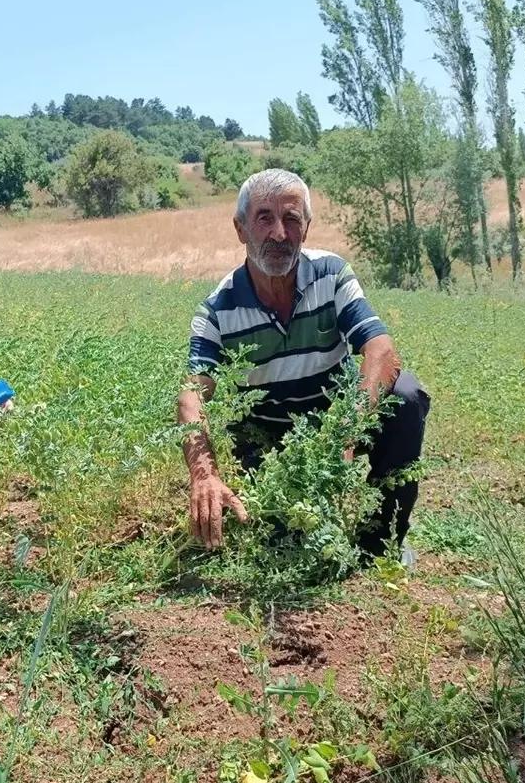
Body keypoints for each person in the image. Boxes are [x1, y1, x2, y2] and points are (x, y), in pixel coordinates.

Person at [177, 168, 430, 555]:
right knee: (286, 545)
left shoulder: (331, 274)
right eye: (264, 218)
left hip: (336, 424)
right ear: (241, 228)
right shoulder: (216, 311)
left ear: (306, 227)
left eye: (291, 219)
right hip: (269, 445)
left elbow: (380, 350)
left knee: (406, 396)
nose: (279, 234)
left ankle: (382, 543)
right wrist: (203, 474)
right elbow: (192, 396)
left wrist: (345, 430)